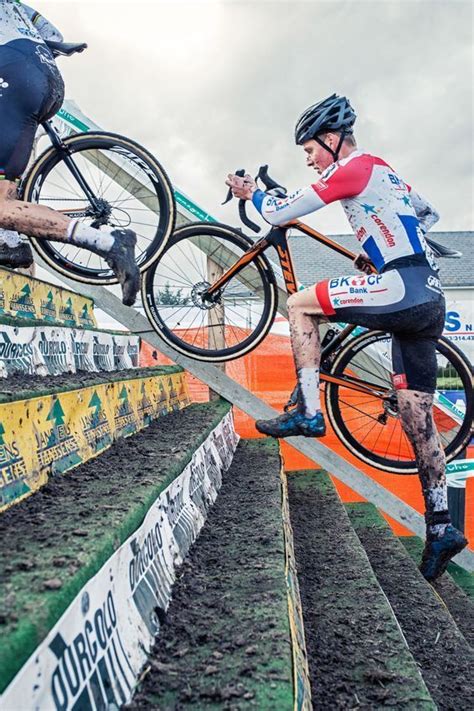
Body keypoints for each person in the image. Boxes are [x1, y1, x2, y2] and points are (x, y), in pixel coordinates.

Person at [225, 93, 468, 581]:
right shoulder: (387, 172)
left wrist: (251, 192)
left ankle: (310, 412)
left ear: (332, 140)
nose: (311, 160)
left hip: (399, 286)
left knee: (298, 304)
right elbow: (427, 215)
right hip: (429, 297)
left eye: (311, 150)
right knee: (415, 413)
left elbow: (280, 212)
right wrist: (379, 250)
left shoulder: (352, 167)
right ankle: (442, 527)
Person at [0, 1, 139, 305]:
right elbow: (53, 32)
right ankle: (10, 240)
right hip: (47, 78)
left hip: (13, 75)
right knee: (4, 188)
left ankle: (108, 242)